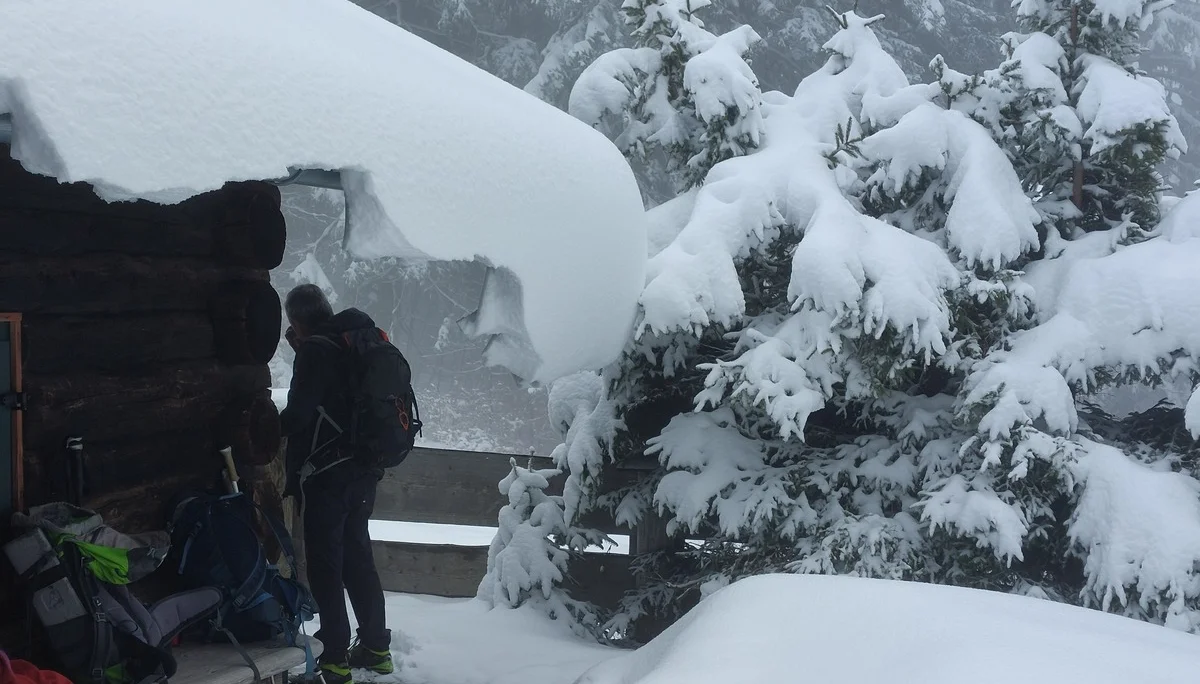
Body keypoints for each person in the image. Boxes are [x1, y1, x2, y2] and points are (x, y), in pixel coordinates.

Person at [280, 284, 394, 684]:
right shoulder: (354, 341)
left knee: (326, 566)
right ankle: (376, 648)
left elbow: (298, 417)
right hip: (364, 470)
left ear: (296, 321)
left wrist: (264, 425)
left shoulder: (317, 351)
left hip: (327, 476)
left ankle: (333, 659)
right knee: (358, 559)